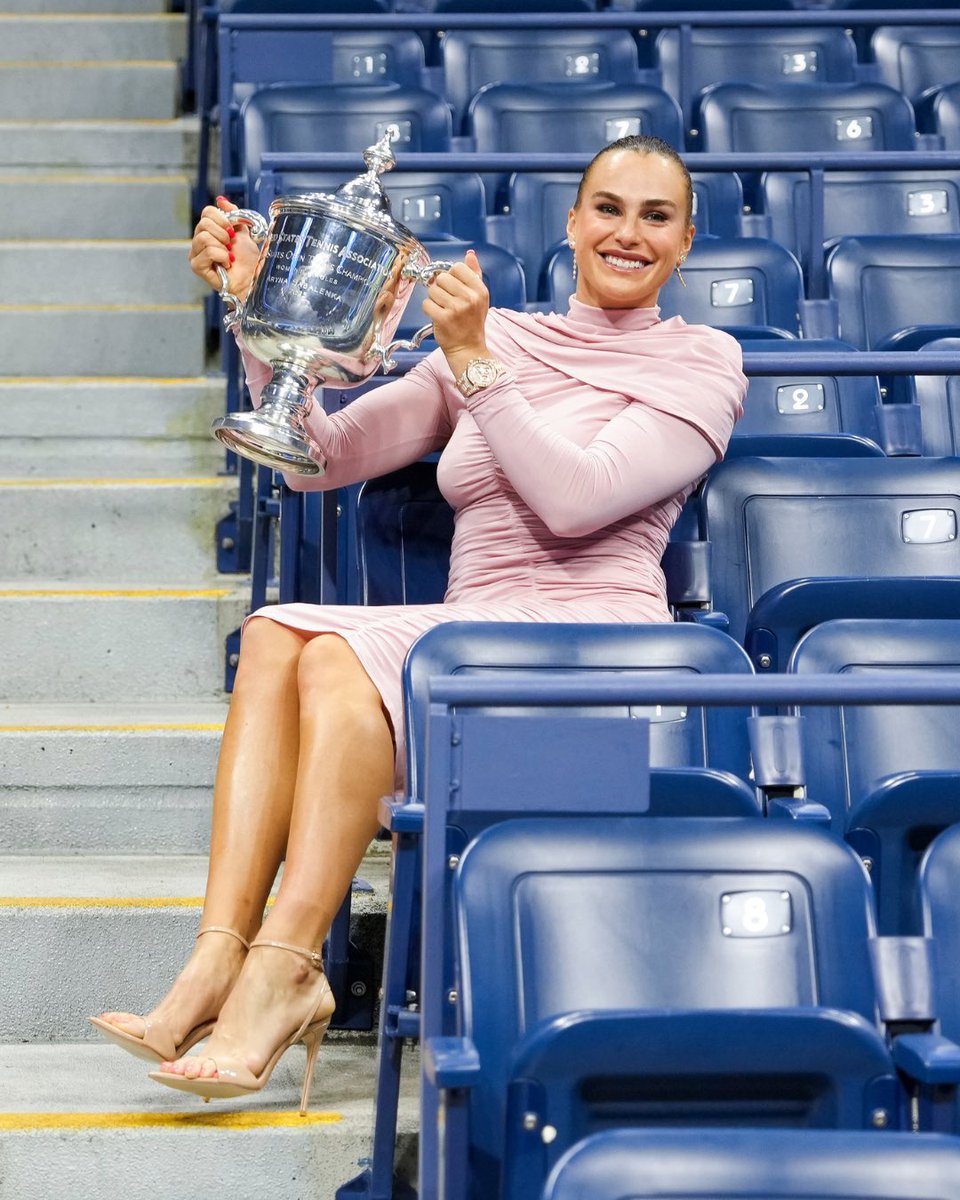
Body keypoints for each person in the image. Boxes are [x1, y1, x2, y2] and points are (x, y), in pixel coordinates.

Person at [90, 135, 747, 1111]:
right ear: (571, 223)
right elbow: (322, 458)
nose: (627, 233)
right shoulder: (506, 336)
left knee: (342, 657)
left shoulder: (702, 361)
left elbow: (578, 499)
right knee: (276, 633)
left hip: (594, 667)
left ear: (686, 243)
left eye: (656, 217)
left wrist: (477, 359)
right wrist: (254, 315)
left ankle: (288, 965)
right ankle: (220, 961)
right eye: (607, 208)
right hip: (469, 638)